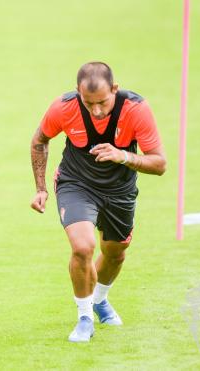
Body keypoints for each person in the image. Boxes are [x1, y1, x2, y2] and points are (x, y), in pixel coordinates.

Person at [29, 62, 166, 342]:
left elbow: (160, 163)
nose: (97, 110)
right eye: (88, 102)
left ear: (114, 89)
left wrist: (124, 156)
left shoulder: (136, 109)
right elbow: (39, 140)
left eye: (102, 102)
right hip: (76, 184)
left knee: (116, 252)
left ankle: (100, 300)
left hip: (119, 191)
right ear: (78, 93)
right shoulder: (63, 107)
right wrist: (41, 188)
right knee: (83, 247)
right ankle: (84, 318)